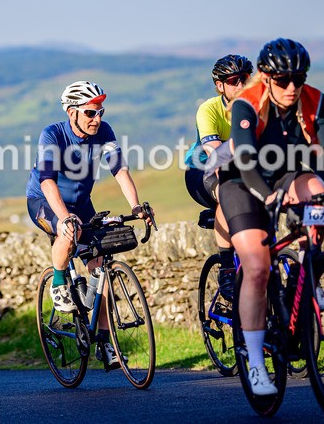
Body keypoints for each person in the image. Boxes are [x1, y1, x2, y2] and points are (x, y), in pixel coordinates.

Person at [218, 38, 324, 395]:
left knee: (318, 192)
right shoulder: (247, 103)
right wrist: (268, 197)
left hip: (286, 174)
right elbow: (246, 161)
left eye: (299, 78)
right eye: (283, 80)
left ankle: (305, 268)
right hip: (241, 182)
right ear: (266, 77)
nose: (292, 87)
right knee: (257, 267)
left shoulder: (315, 100)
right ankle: (255, 362)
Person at [26, 81, 153, 368]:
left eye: (100, 112)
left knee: (101, 267)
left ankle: (105, 342)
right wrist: (64, 218)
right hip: (45, 201)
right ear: (72, 112)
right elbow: (47, 181)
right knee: (68, 232)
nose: (97, 119)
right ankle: (59, 282)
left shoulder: (104, 132)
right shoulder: (52, 135)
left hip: (82, 204)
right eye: (90, 113)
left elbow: (119, 169)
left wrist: (136, 206)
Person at [184, 54, 254, 298]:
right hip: (202, 170)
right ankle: (226, 269)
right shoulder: (209, 109)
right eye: (233, 80)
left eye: (245, 78)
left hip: (245, 169)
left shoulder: (258, 106)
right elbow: (216, 153)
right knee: (229, 189)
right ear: (220, 85)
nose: (241, 84)